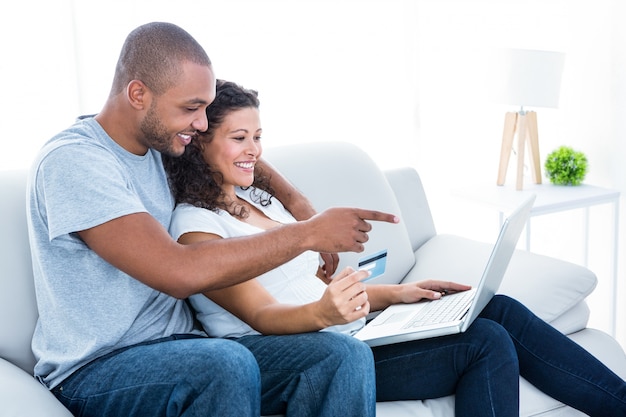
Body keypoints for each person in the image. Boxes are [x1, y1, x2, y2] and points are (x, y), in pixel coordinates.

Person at [164, 79, 626, 417]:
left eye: (259, 137)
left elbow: (317, 291)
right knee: (484, 343)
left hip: (345, 330)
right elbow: (265, 315)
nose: (254, 152)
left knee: (496, 308)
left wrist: (401, 294)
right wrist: (332, 312)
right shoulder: (196, 229)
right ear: (199, 143)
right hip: (307, 353)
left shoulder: (258, 203)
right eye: (239, 138)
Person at [27, 22, 399, 417]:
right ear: (138, 94)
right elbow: (176, 271)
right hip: (98, 369)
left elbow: (237, 151)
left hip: (186, 347)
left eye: (204, 109)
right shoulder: (76, 162)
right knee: (224, 364)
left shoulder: (159, 142)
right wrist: (307, 233)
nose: (201, 124)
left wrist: (298, 202)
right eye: (192, 108)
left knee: (340, 354)